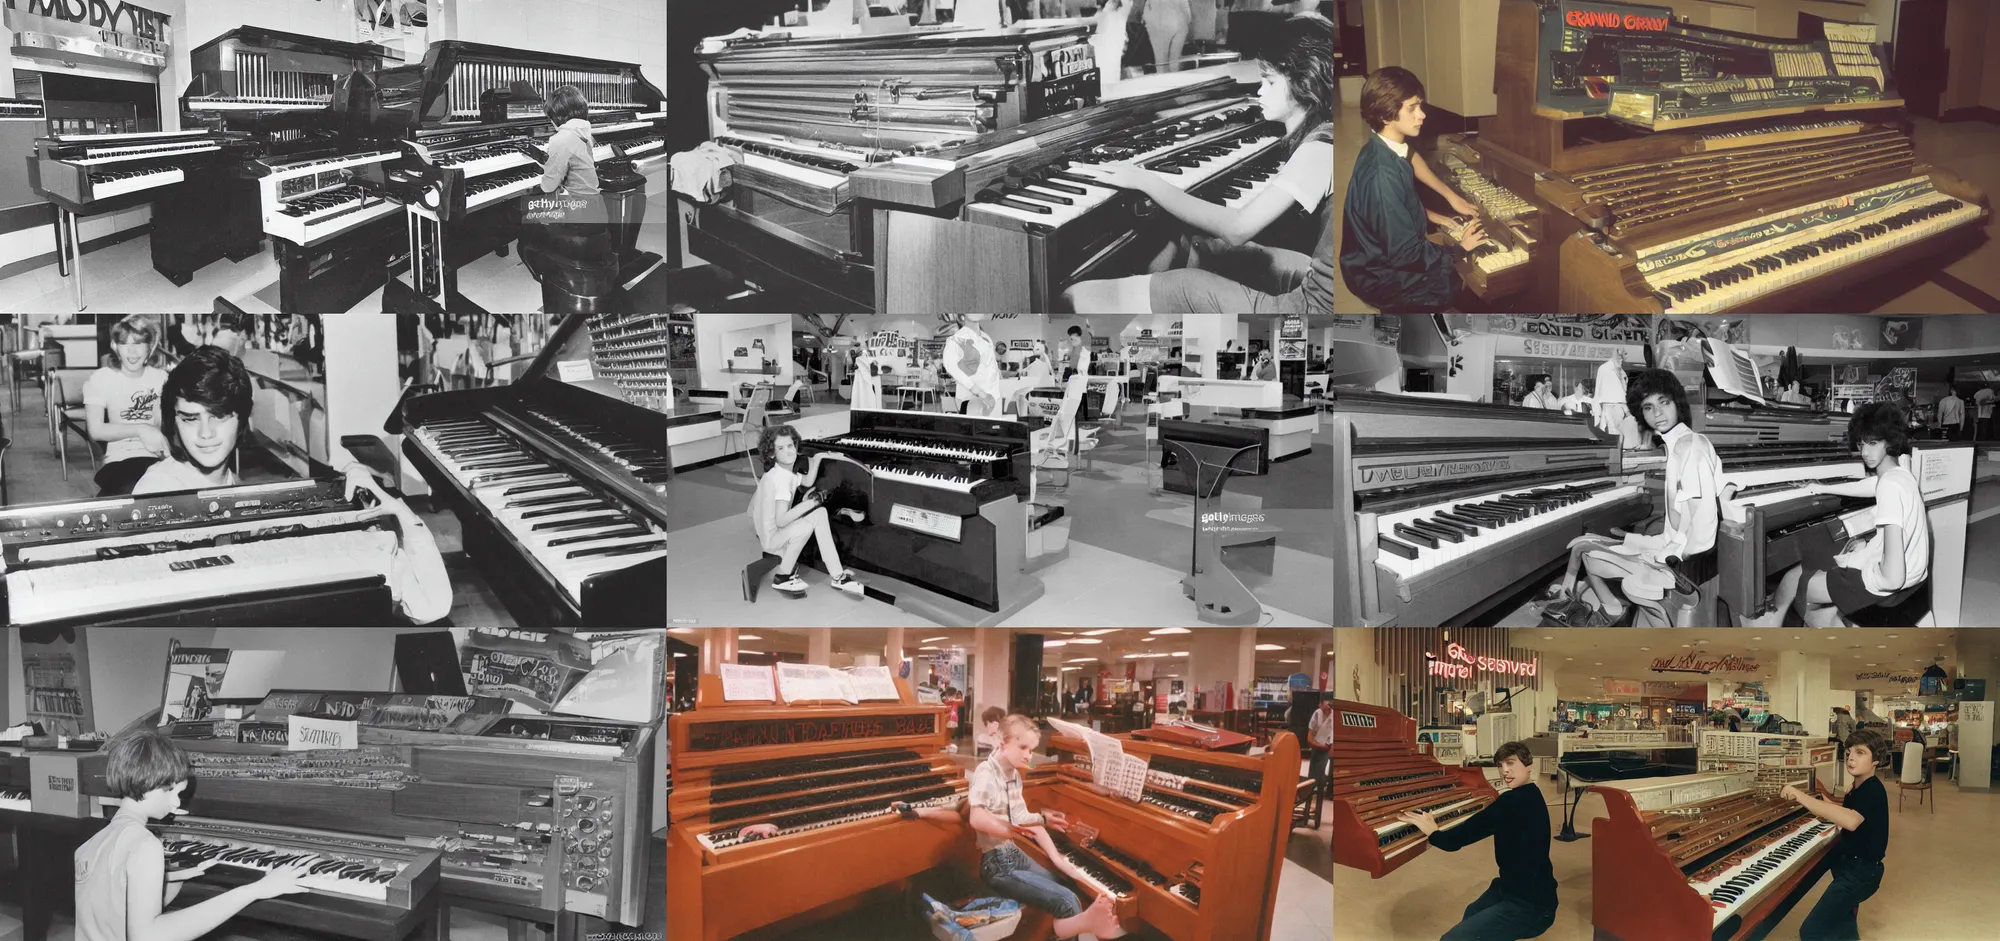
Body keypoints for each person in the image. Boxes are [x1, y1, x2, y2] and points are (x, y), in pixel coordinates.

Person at [131, 348, 453, 624]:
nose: (205, 434)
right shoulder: (155, 494)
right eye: (190, 418)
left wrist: (395, 509)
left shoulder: (241, 494)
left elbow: (430, 606)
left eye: (219, 416)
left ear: (242, 420)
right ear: (174, 422)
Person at [1062, 14, 1337, 315]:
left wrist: (1145, 180)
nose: (1259, 91)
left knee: (1073, 297)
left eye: (1269, 81)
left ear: (1304, 82)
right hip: (1326, 284)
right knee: (1201, 246)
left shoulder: (1318, 150)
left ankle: (1150, 303)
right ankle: (1155, 299)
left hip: (1311, 308)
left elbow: (1236, 228)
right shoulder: (1331, 132)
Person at [75, 726, 317, 941]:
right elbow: (149, 936)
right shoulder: (145, 845)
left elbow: (120, 919)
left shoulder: (91, 844)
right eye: (173, 791)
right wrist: (255, 890)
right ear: (149, 785)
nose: (176, 802)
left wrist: (172, 881)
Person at [1542, 368, 1721, 626]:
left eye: (1664, 402)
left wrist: (1666, 559)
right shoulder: (1677, 445)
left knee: (1590, 553)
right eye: (1648, 407)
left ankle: (1628, 619)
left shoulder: (1691, 447)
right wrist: (1632, 539)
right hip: (1669, 548)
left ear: (1677, 404)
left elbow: (1702, 530)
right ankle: (1614, 612)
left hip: (1682, 568)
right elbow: (1675, 531)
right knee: (1585, 546)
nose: (1657, 413)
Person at [1769, 402, 1930, 627]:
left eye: (1873, 443)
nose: (1864, 452)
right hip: (1916, 579)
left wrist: (1862, 567)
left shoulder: (1890, 488)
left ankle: (1768, 631)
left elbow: (1892, 578)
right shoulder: (1901, 476)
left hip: (1887, 587)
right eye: (1861, 443)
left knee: (1794, 581)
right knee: (1839, 561)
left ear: (1890, 440)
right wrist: (1823, 487)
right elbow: (1870, 485)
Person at [1338, 65, 1483, 313]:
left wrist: (1447, 201)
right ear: (1386, 115)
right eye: (1412, 108)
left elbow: (1411, 157)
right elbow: (1406, 254)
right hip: (1380, 278)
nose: (1422, 115)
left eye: (1420, 106)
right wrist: (1459, 248)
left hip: (1368, 263)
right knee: (1456, 283)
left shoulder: (1380, 145)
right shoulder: (1382, 178)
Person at [969, 715, 1127, 940]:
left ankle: (1080, 927)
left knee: (1068, 886)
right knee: (1066, 901)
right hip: (996, 863)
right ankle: (1089, 925)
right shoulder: (986, 773)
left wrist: (1057, 857)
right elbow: (977, 818)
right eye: (1023, 747)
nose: (1028, 755)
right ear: (1003, 742)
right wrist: (1011, 829)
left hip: (1012, 853)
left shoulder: (1012, 774)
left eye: (1031, 750)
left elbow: (1023, 818)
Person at [1397, 741, 1557, 941]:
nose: (1505, 771)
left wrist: (1433, 832)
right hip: (1514, 888)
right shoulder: (1531, 793)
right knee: (1472, 912)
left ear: (1529, 765)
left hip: (1530, 905)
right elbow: (1483, 822)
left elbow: (1453, 842)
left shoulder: (1512, 802)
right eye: (1500, 766)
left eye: (1511, 763)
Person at [1785, 727, 1890, 941]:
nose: (1851, 757)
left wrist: (1799, 796)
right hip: (1851, 867)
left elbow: (1851, 820)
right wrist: (1827, 803)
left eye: (1860, 753)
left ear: (1876, 760)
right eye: (1849, 752)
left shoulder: (1873, 789)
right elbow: (1849, 811)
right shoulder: (1858, 787)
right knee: (1843, 924)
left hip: (1861, 874)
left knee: (1812, 931)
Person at [749, 424, 868, 597]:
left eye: (790, 446)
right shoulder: (782, 480)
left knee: (819, 514)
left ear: (796, 446)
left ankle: (833, 574)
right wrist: (812, 503)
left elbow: (806, 481)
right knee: (815, 516)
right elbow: (781, 520)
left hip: (769, 534)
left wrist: (818, 457)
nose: (788, 452)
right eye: (781, 448)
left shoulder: (781, 473)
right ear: (772, 454)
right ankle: (786, 577)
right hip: (774, 538)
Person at [85, 315, 174, 497]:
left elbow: (164, 426)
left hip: (157, 458)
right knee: (133, 490)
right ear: (116, 347)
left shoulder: (161, 378)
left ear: (150, 347)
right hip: (120, 459)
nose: (132, 351)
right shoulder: (101, 378)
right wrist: (141, 429)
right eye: (125, 343)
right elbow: (95, 430)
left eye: (139, 343)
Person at [943, 313, 1004, 417]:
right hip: (971, 400)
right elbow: (952, 368)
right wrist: (980, 392)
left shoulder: (986, 338)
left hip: (992, 401)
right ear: (962, 315)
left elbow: (991, 366)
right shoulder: (955, 340)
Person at [1306, 697, 1334, 784]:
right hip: (1317, 745)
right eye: (1327, 703)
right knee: (1313, 770)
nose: (1329, 705)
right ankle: (1309, 792)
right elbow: (1309, 737)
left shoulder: (1334, 715)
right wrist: (1317, 745)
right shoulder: (1317, 713)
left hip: (1329, 747)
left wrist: (1330, 747)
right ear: (1320, 704)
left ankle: (1325, 790)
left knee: (1322, 770)